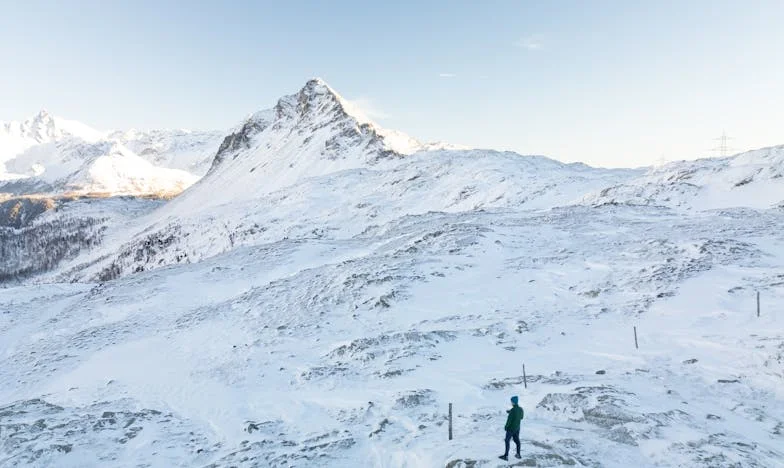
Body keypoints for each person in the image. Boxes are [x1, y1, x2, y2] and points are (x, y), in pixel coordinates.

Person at [499, 395, 524, 461]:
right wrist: (510, 412)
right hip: (517, 428)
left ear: (513, 402)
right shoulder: (520, 409)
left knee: (507, 441)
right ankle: (518, 454)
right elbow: (521, 417)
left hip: (511, 428)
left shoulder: (513, 410)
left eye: (511, 401)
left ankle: (506, 456)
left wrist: (506, 427)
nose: (511, 402)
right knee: (517, 441)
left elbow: (509, 420)